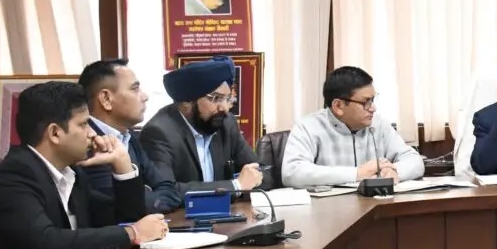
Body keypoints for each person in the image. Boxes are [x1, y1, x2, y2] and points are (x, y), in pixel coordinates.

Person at [0, 82, 166, 249]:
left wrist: (122, 165)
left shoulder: (71, 172)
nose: (92, 134)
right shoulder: (14, 176)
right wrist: (131, 233)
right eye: (84, 124)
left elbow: (123, 218)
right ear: (55, 133)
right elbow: (46, 243)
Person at [282, 67, 425, 187]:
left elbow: (414, 160)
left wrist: (394, 172)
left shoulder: (378, 124)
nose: (373, 108)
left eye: (373, 100)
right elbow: (292, 173)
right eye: (365, 102)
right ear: (338, 106)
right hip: (329, 209)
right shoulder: (308, 127)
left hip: (375, 205)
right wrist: (357, 173)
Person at [141, 56, 262, 195]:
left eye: (227, 98)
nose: (224, 108)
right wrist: (235, 186)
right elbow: (165, 191)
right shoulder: (158, 133)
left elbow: (261, 170)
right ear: (187, 101)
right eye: (216, 98)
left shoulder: (226, 123)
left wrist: (253, 178)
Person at [78, 59, 182, 212]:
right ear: (106, 99)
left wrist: (145, 196)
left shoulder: (128, 136)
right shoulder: (89, 143)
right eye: (135, 89)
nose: (145, 97)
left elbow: (170, 190)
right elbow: (117, 207)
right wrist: (147, 193)